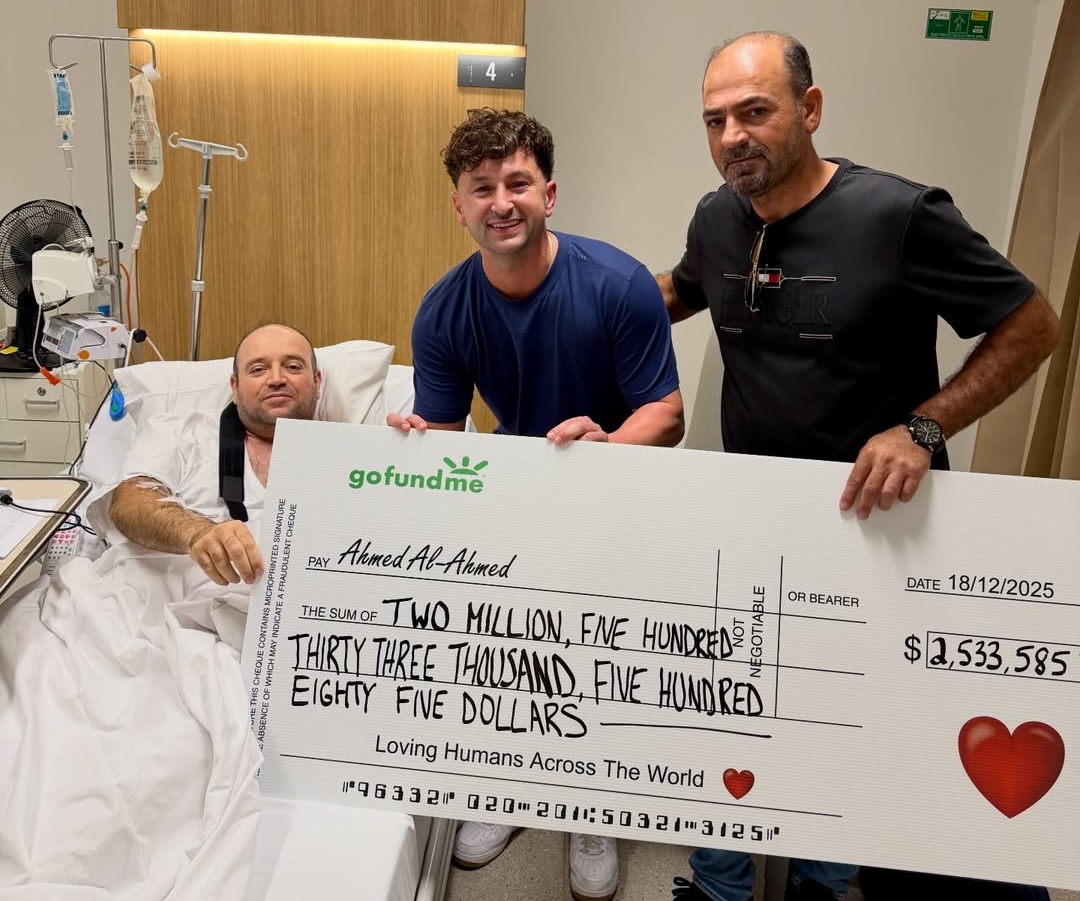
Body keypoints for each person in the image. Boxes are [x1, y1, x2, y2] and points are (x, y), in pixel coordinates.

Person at [658, 31, 1059, 901]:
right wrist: (564, 292)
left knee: (846, 713)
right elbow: (678, 292)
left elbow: (1033, 324)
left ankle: (824, 883)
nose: (733, 135)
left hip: (876, 526)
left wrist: (924, 426)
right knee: (739, 704)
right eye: (715, 119)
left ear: (809, 109)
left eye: (755, 111)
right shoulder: (716, 217)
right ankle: (724, 882)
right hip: (756, 522)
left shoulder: (900, 215)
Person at [389, 107, 684, 901]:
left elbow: (667, 414)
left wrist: (603, 450)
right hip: (519, 496)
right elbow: (445, 438)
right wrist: (415, 453)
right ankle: (515, 785)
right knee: (511, 649)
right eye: (481, 187)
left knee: (598, 654)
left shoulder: (618, 284)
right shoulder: (443, 312)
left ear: (548, 193)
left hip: (618, 490)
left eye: (517, 183)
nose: (501, 202)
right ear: (459, 207)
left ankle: (591, 805)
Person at [109, 322, 321, 591]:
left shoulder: (353, 455)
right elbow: (129, 503)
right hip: (172, 602)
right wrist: (197, 532)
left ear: (317, 382)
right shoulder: (180, 432)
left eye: (293, 366)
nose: (276, 378)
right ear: (235, 388)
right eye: (258, 369)